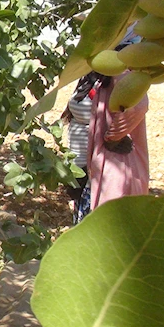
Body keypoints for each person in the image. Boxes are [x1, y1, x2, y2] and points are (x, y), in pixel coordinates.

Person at [87, 31, 150, 210]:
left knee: (115, 218)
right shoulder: (112, 73)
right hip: (113, 163)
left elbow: (138, 105)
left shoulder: (122, 71)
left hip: (120, 164)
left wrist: (114, 136)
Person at [62, 72, 98, 223]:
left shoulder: (106, 86)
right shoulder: (87, 80)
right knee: (79, 197)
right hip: (77, 156)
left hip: (91, 160)